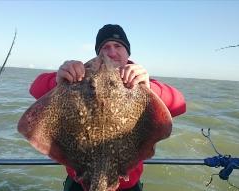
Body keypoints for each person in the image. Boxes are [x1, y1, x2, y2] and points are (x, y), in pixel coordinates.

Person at [29, 24, 186, 191]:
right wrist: (58, 79)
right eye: (105, 47)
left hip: (127, 185)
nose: (111, 52)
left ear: (127, 52)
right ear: (98, 53)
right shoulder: (80, 79)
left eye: (117, 46)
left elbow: (180, 104)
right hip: (80, 181)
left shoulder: (141, 82)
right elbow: (35, 88)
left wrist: (148, 88)